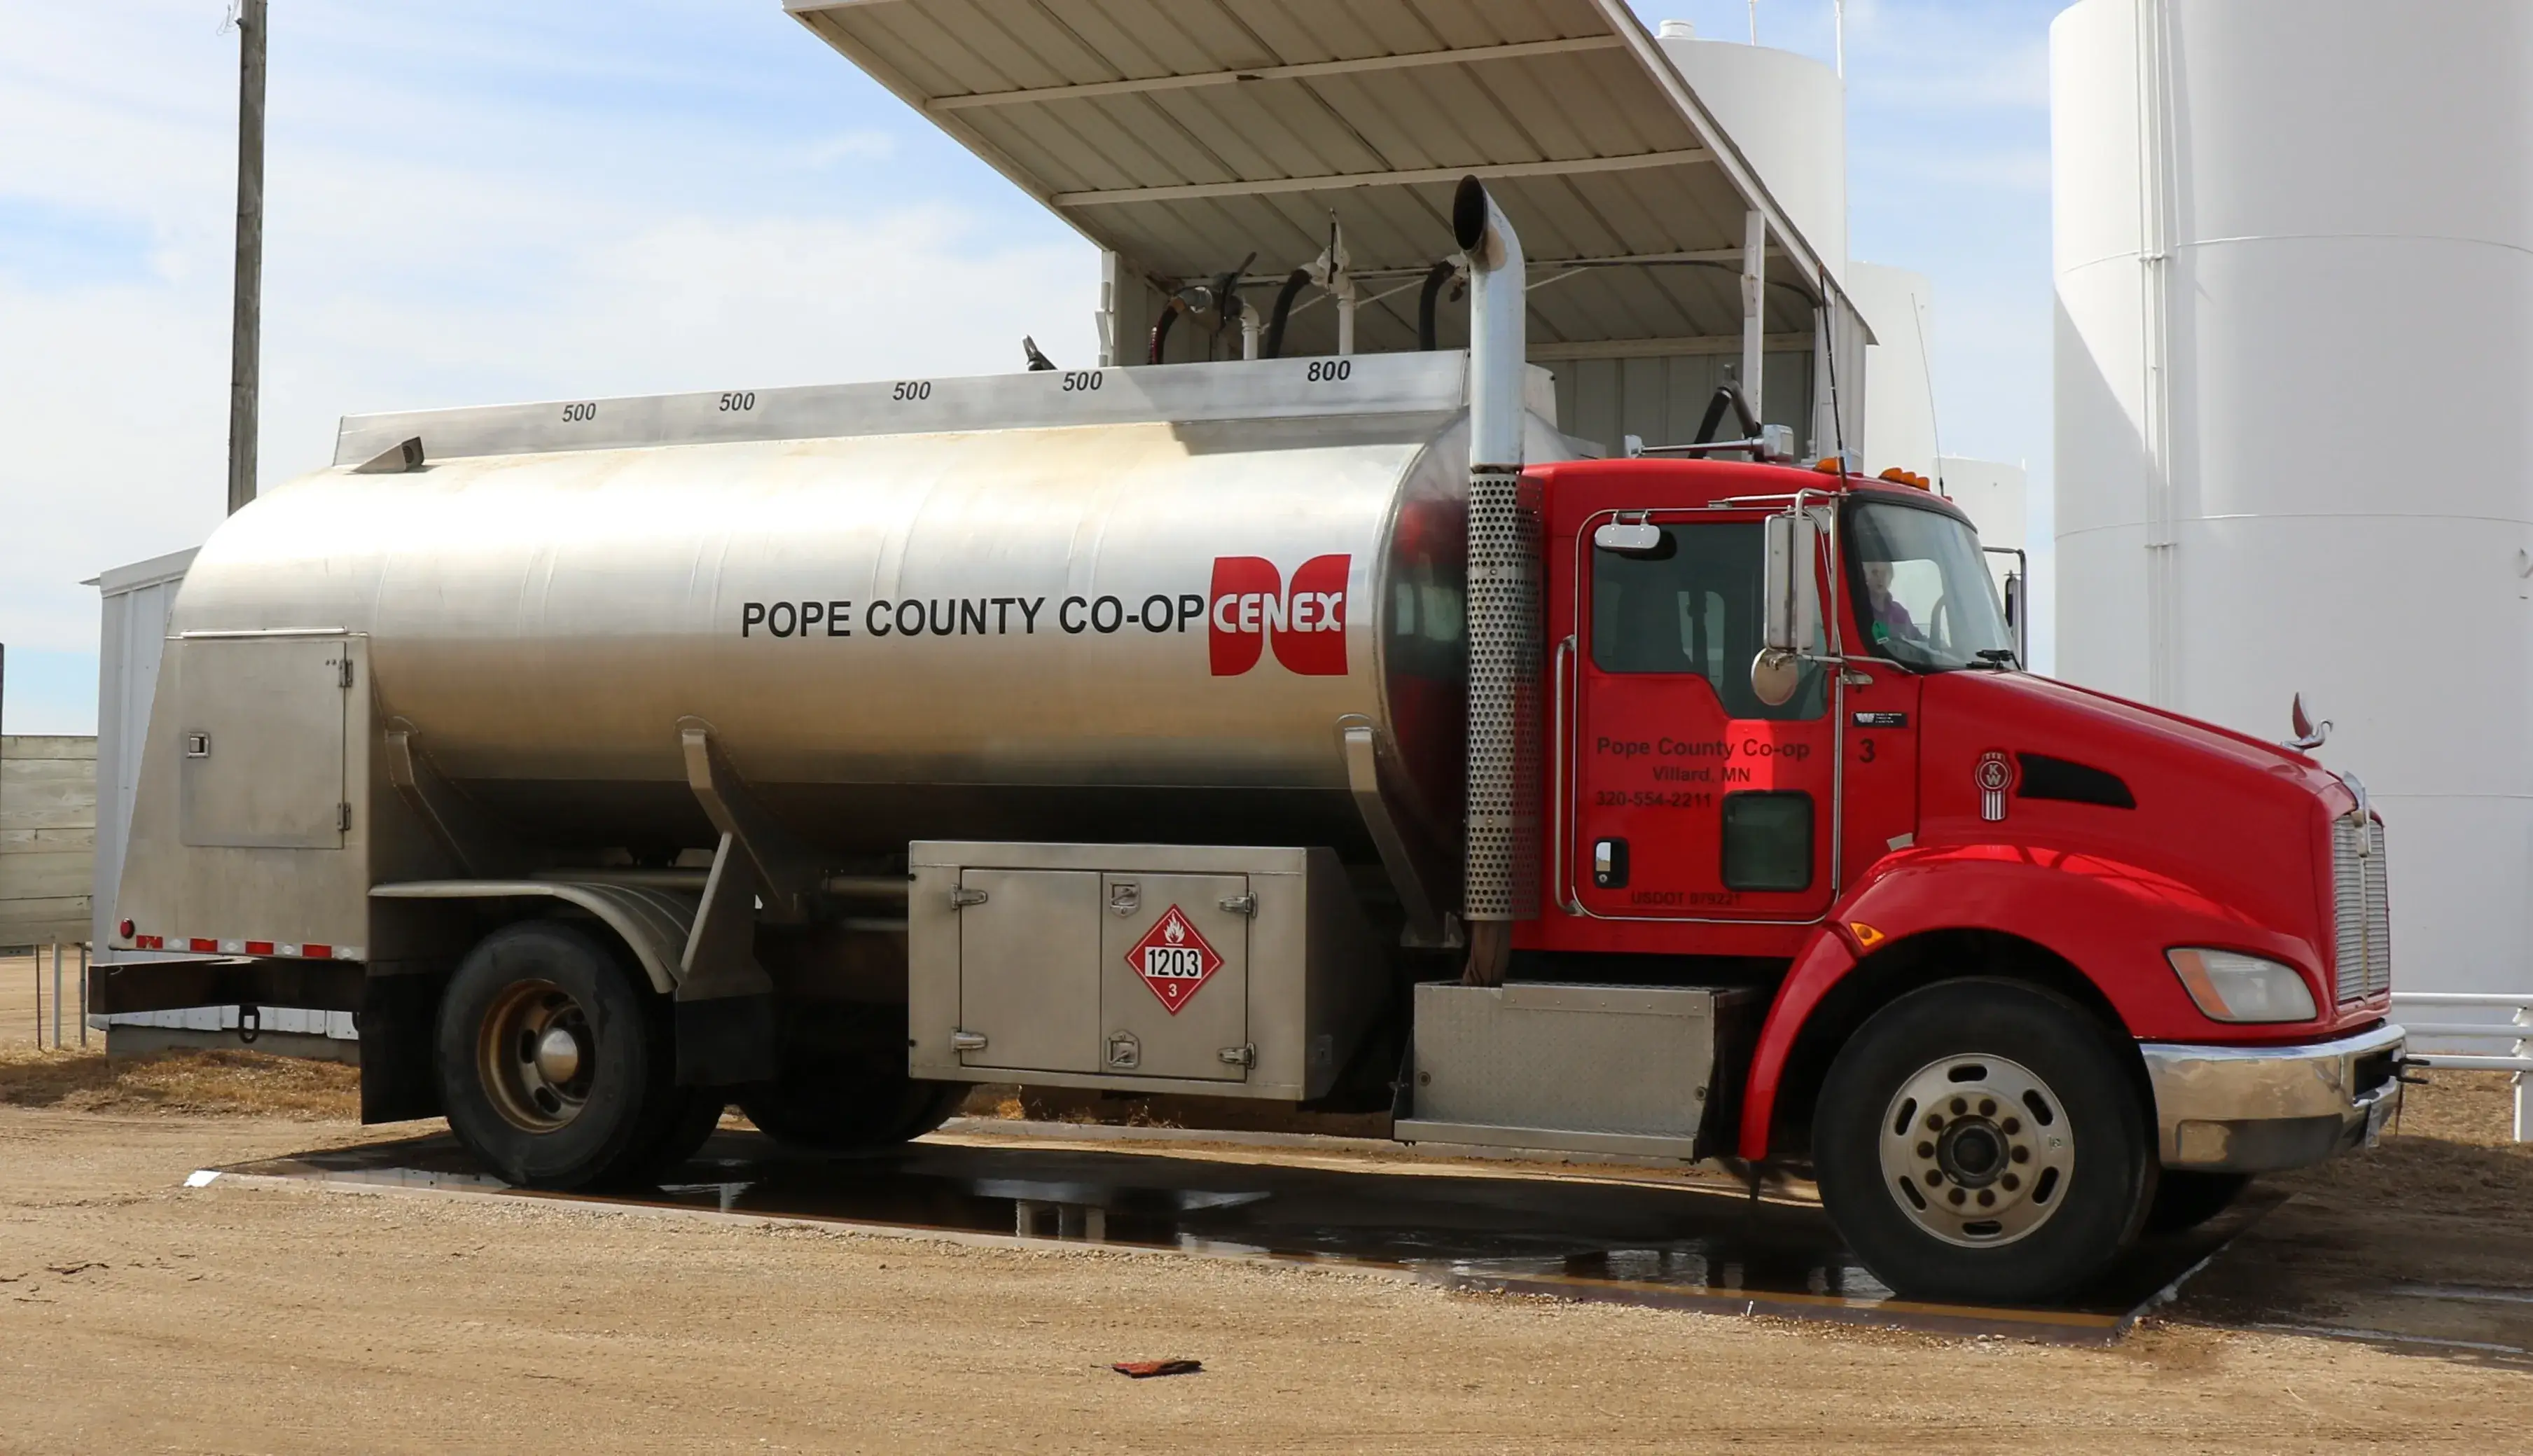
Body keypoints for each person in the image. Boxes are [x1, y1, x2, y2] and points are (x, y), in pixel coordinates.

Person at [1863, 559, 1920, 644]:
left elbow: (1917, 640)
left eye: (1885, 573)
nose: (1880, 578)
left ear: (1891, 577)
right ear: (1866, 576)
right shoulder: (1859, 610)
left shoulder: (1900, 614)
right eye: (1875, 572)